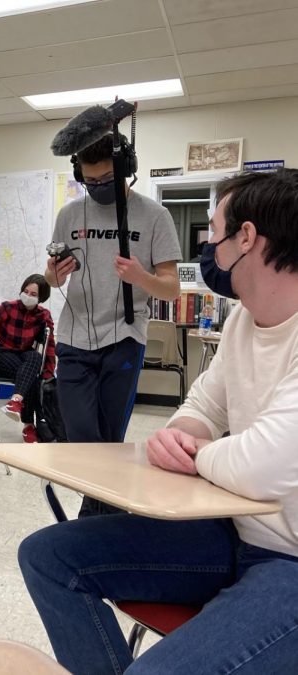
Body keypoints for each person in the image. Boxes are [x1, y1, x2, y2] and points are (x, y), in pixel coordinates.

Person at [18, 169, 298, 675]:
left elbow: (263, 465)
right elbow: (201, 409)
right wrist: (183, 437)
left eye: (213, 232)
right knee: (47, 557)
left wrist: (195, 457)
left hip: (290, 561)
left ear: (247, 238)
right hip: (235, 534)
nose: (209, 246)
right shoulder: (241, 321)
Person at [46, 133, 181, 516]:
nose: (98, 188)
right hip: (73, 336)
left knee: (109, 440)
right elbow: (52, 278)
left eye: (106, 179)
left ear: (126, 169)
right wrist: (56, 274)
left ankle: (97, 520)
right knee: (82, 438)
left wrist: (141, 277)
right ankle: (105, 516)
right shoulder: (70, 215)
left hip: (124, 336)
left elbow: (171, 289)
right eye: (90, 182)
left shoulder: (154, 216)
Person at [0, 274, 55, 443]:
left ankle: (16, 401)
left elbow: (49, 344)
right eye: (26, 291)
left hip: (24, 354)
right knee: (32, 374)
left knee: (35, 357)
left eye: (33, 294)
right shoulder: (7, 307)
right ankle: (28, 425)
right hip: (1, 353)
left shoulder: (43, 315)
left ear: (41, 298)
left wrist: (48, 372)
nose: (28, 296)